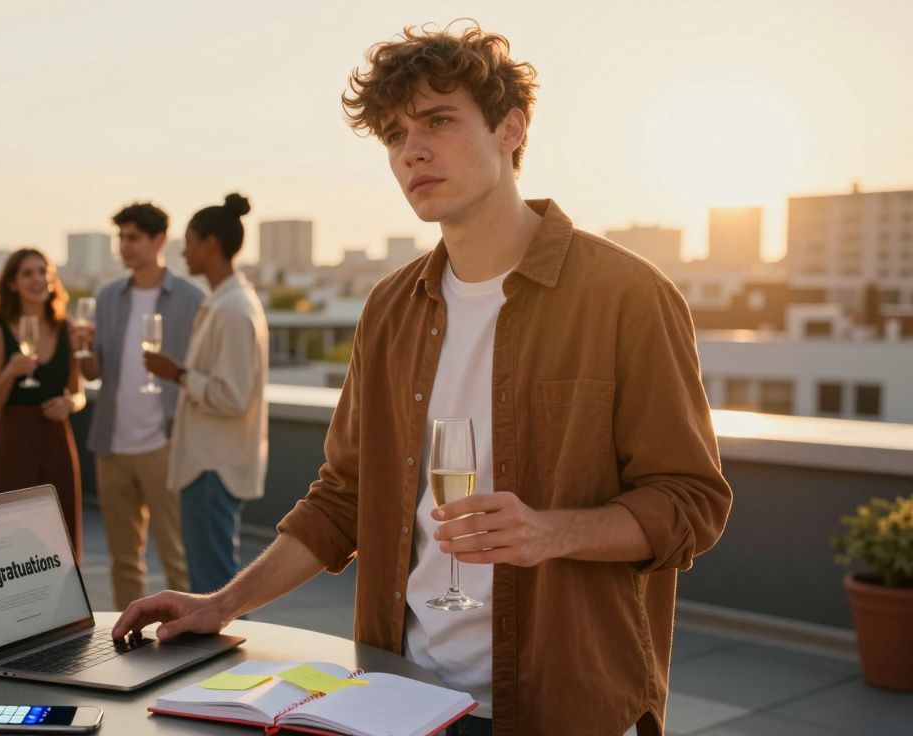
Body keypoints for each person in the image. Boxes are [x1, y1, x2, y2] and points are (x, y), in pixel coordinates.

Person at [114, 24, 733, 736]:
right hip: (400, 698)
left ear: (511, 128)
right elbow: (342, 498)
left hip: (568, 704)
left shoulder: (628, 296)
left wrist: (549, 533)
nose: (412, 150)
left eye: (439, 121)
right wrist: (221, 603)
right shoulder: (389, 308)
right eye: (394, 132)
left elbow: (691, 502)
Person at [71, 202, 204, 610]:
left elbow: (198, 371)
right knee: (123, 560)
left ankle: (189, 642)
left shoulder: (191, 299)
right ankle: (130, 639)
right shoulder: (108, 297)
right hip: (113, 444)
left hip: (165, 443)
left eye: (133, 238)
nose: (124, 247)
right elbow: (96, 374)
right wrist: (81, 353)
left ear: (159, 240)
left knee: (176, 558)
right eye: (120, 238)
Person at [140, 193, 268, 597]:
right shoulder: (225, 302)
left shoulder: (233, 310)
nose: (183, 250)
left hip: (213, 469)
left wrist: (177, 373)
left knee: (216, 591)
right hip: (208, 465)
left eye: (190, 240)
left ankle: (230, 662)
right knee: (213, 585)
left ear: (211, 245)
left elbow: (232, 397)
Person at [0, 248, 86, 561]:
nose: (38, 279)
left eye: (43, 272)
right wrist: (11, 373)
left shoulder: (67, 328)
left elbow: (78, 393)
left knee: (60, 540)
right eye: (27, 273)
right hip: (13, 441)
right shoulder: (0, 331)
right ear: (12, 283)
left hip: (56, 440)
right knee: (10, 540)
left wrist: (69, 403)